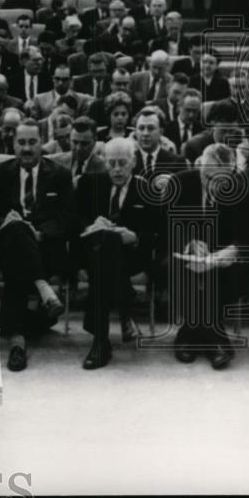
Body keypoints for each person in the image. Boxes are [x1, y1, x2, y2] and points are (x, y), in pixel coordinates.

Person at [0, 120, 75, 371]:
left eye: (32, 142)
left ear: (41, 143)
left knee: (19, 258)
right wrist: (5, 221)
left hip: (46, 249)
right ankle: (42, 288)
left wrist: (40, 233)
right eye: (21, 142)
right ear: (13, 144)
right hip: (7, 245)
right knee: (16, 230)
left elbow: (67, 218)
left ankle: (16, 338)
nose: (27, 148)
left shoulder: (59, 175)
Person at [75, 137, 162, 369]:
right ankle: (125, 302)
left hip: (131, 257)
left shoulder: (147, 189)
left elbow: (157, 231)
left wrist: (133, 236)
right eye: (111, 163)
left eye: (122, 163)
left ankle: (100, 341)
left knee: (111, 246)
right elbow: (75, 219)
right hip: (93, 253)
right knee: (106, 245)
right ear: (104, 162)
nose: (116, 169)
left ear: (133, 162)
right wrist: (90, 225)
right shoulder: (89, 183)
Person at [165, 144, 249, 369]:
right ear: (199, 166)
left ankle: (189, 334)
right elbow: (163, 228)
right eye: (207, 176)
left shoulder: (241, 189)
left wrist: (227, 252)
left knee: (235, 274)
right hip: (184, 257)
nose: (213, 185)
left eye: (221, 179)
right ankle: (216, 339)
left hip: (223, 261)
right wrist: (188, 243)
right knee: (178, 270)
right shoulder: (179, 182)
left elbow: (246, 235)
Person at [48, 116, 106, 186]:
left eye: (84, 144)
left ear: (95, 141)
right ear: (69, 139)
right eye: (75, 142)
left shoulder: (102, 168)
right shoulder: (57, 161)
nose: (78, 148)